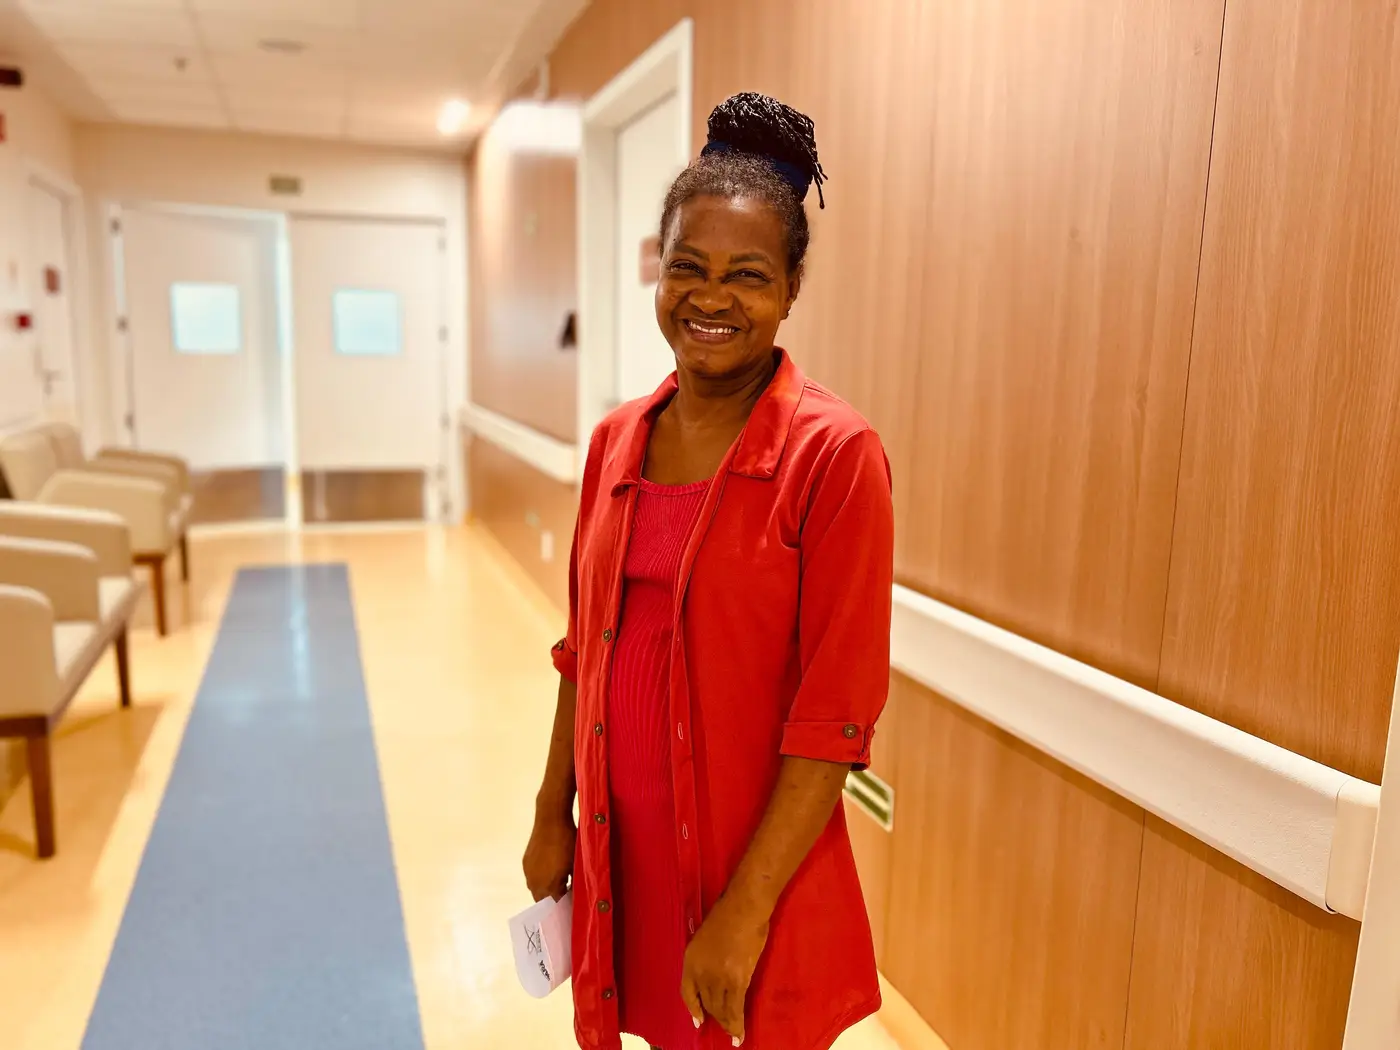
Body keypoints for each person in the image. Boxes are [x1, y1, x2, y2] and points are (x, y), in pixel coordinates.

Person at [523, 92, 894, 1050]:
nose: (711, 298)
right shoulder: (615, 442)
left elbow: (835, 717)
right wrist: (553, 810)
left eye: (748, 276)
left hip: (749, 871)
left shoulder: (833, 455)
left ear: (791, 287)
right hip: (624, 856)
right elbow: (581, 651)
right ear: (660, 268)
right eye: (687, 266)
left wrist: (744, 912)